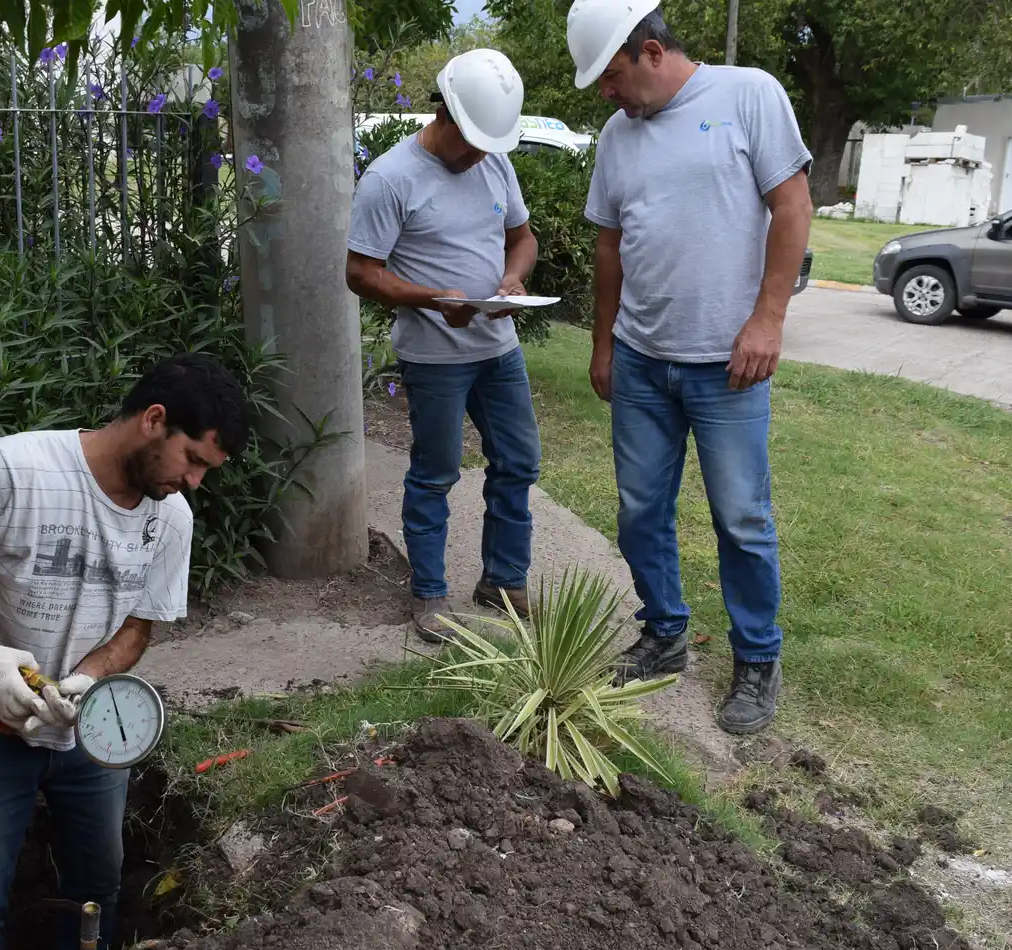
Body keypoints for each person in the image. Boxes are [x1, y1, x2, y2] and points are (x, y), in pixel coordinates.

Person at [0, 354, 248, 950]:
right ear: (154, 421)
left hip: (88, 731)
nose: (194, 482)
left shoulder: (170, 517)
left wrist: (86, 677)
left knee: (96, 892)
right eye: (194, 460)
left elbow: (136, 627)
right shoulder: (12, 471)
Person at [567, 0, 813, 734]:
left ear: (649, 51)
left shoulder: (749, 95)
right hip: (642, 361)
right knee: (641, 510)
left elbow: (793, 207)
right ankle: (666, 632)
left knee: (741, 519)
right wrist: (604, 341)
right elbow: (609, 245)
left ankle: (757, 659)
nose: (606, 94)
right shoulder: (617, 136)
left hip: (727, 367)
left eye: (611, 76)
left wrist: (768, 319)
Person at [345, 48, 542, 643]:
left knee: (519, 461)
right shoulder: (390, 178)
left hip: (498, 346)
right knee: (435, 473)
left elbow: (523, 238)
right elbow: (360, 272)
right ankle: (429, 593)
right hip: (435, 358)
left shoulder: (494, 164)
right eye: (475, 140)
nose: (484, 153)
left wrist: (513, 280)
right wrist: (433, 298)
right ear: (445, 115)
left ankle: (503, 580)